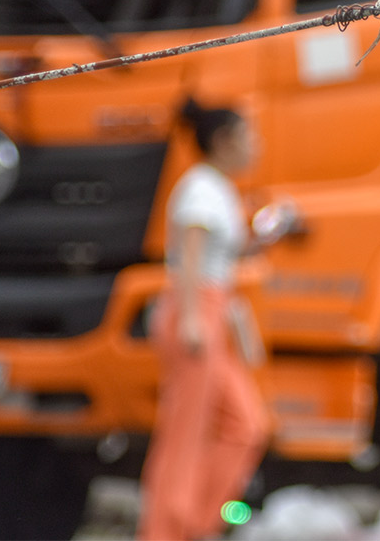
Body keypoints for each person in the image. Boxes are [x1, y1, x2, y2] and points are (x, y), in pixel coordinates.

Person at [137, 99, 271, 541]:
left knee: (247, 424)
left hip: (213, 308)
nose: (257, 145)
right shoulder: (199, 187)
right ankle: (164, 529)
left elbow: (220, 261)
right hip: (194, 309)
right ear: (224, 141)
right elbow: (189, 257)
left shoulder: (221, 188)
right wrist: (194, 319)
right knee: (184, 435)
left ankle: (196, 523)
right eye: (249, 135)